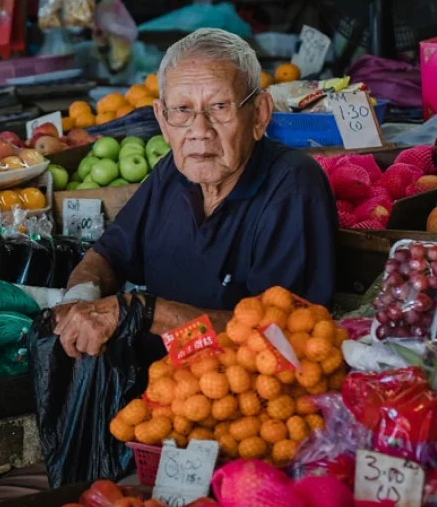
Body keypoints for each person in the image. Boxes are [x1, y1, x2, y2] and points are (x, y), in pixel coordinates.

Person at [54, 28, 338, 359]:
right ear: (162, 119)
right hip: (160, 391)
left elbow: (281, 337)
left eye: (219, 106)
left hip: (231, 398)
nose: (199, 131)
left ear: (260, 114)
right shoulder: (174, 172)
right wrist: (79, 298)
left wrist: (143, 312)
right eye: (182, 110)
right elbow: (108, 254)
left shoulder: (293, 185)